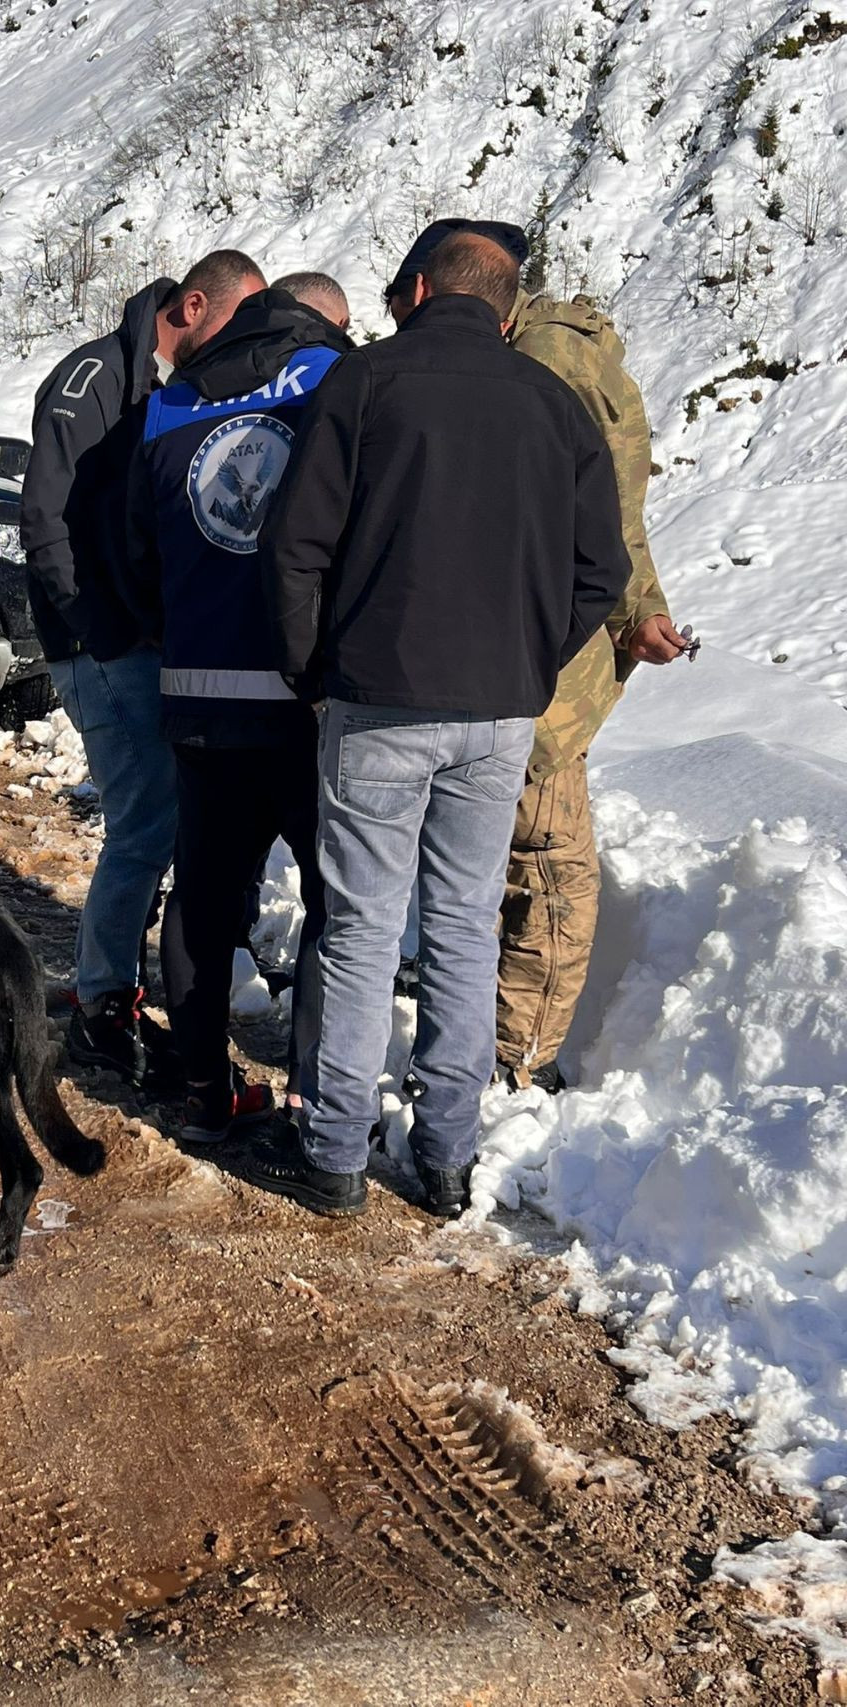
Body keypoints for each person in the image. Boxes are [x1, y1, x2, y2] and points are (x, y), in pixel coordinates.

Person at [250, 230, 631, 1220]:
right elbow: (601, 572)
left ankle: (333, 1155)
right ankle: (446, 1158)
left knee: (363, 925)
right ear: (506, 312)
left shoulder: (364, 383)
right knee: (461, 927)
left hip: (374, 698)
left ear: (416, 290)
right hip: (498, 710)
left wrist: (312, 674)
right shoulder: (553, 404)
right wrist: (528, 657)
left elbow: (291, 549)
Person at [383, 219, 691, 1092]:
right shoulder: (560, 358)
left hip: (526, 671)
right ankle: (489, 1036)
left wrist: (618, 615)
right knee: (499, 855)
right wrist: (638, 611)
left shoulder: (544, 367)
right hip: (524, 657)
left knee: (546, 864)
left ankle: (518, 1060)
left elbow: (589, 528)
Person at [20, 251, 267, 1088]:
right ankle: (101, 1007)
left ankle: (111, 987)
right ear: (192, 306)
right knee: (144, 825)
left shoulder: (168, 386)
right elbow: (45, 516)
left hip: (141, 639)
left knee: (156, 821)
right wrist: (98, 628)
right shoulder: (95, 377)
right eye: (237, 325)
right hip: (101, 643)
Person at [122, 273, 354, 1141]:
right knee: (336, 901)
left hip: (197, 693)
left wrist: (184, 632)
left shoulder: (171, 401)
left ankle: (202, 1091)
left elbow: (138, 551)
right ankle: (311, 1099)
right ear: (326, 319)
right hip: (304, 701)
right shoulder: (336, 377)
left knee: (203, 897)